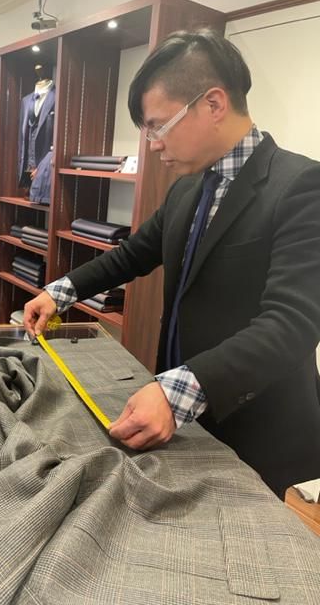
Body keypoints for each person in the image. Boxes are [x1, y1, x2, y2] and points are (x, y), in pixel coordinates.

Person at [24, 28, 320, 498]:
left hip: (255, 422)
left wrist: (177, 390)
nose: (153, 144)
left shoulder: (302, 186)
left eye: (158, 126)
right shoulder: (187, 187)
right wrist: (58, 292)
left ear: (214, 104)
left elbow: (292, 324)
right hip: (179, 409)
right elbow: (135, 253)